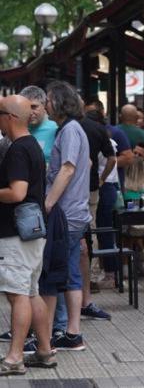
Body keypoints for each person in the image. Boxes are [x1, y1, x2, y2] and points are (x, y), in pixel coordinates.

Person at [0, 95, 55, 373]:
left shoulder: (18, 149)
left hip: (16, 234)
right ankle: (44, 351)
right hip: (32, 233)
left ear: (9, 117)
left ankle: (14, 358)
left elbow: (17, 192)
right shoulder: (32, 144)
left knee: (17, 294)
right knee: (32, 292)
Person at [44, 80, 91, 351]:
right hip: (73, 213)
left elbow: (68, 168)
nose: (47, 104)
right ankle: (72, 333)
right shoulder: (70, 130)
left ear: (60, 102)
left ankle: (61, 330)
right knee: (71, 273)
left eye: (49, 100)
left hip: (66, 214)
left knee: (56, 274)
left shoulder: (71, 131)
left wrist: (49, 203)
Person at [78, 109, 116, 320]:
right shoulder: (97, 129)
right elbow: (112, 158)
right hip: (91, 186)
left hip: (69, 188)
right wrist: (101, 179)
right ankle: (90, 278)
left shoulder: (64, 128)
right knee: (88, 232)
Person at [19, 86, 57, 166]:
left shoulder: (56, 129)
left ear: (44, 106)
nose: (30, 112)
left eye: (34, 107)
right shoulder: (18, 129)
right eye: (25, 107)